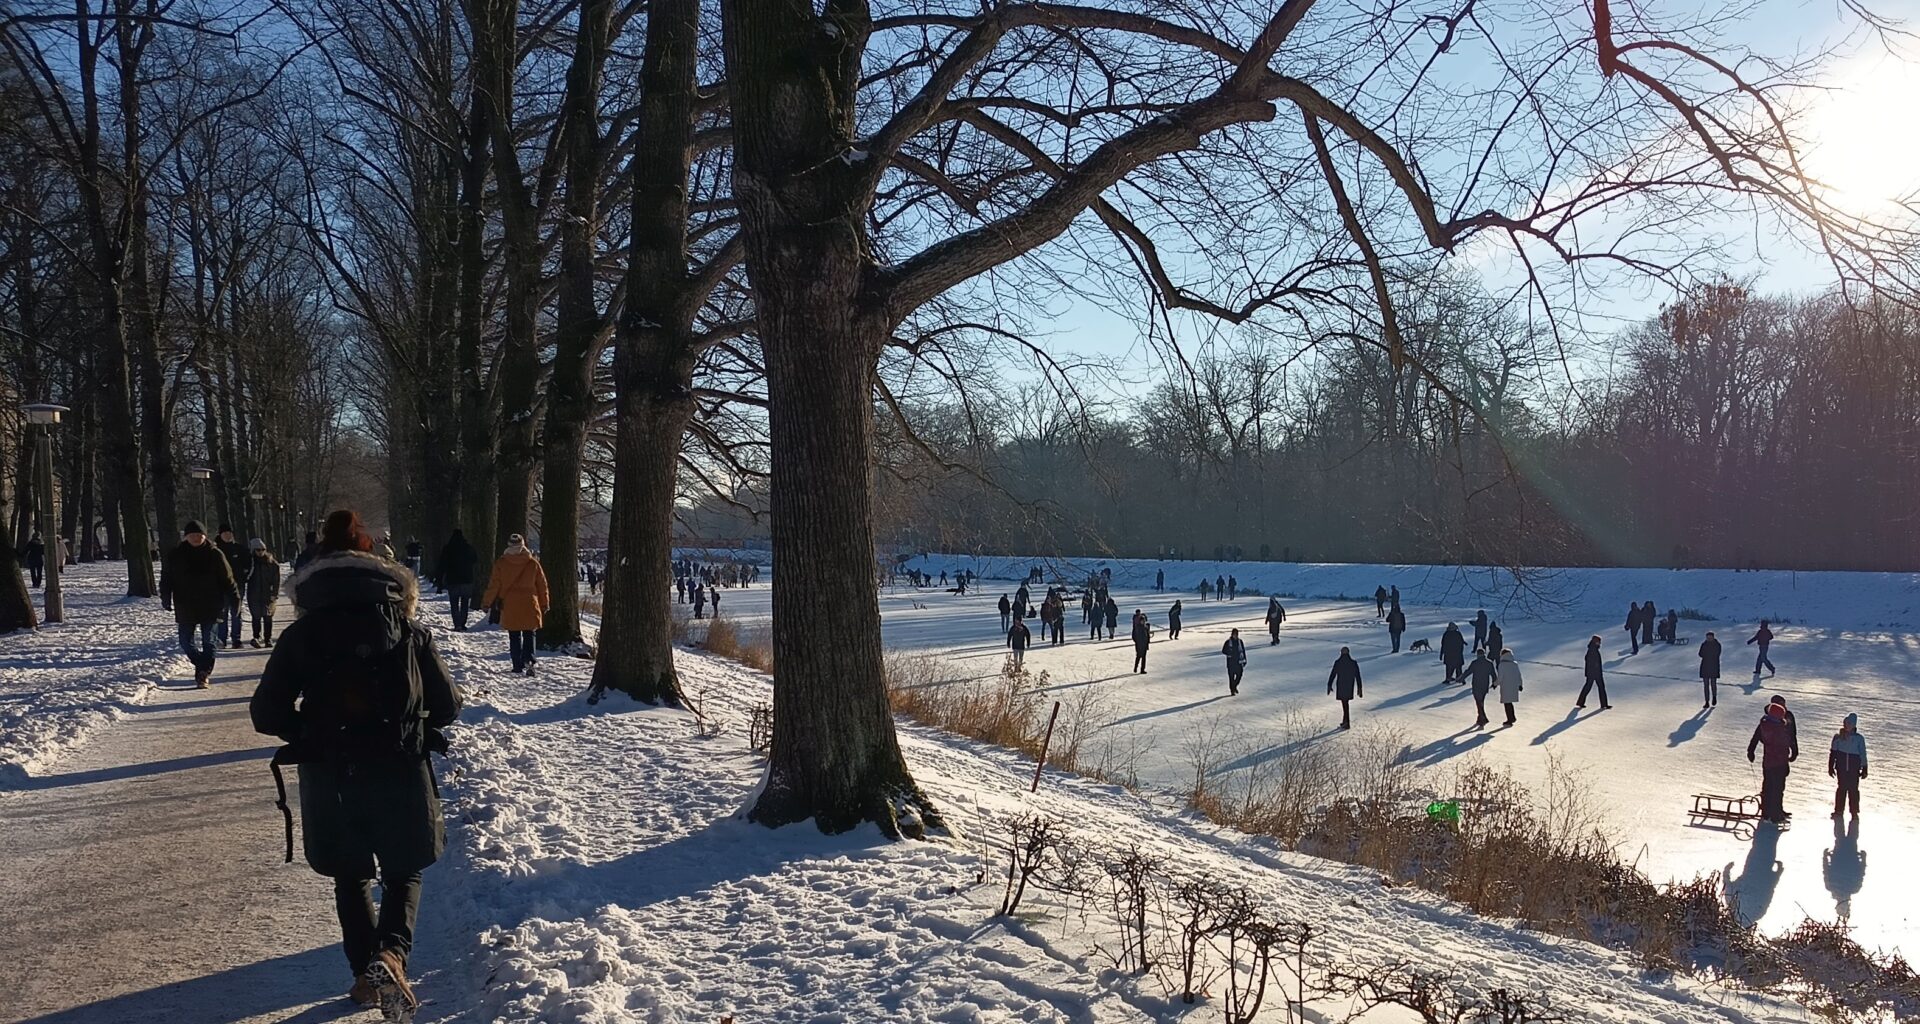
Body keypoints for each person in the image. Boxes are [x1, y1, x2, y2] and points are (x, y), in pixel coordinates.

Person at [253, 509, 463, 1016]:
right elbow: (449, 704)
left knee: (350, 875)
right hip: (400, 763)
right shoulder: (410, 632)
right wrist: (417, 724)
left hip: (332, 771)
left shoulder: (303, 635)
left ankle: (365, 972)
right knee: (404, 868)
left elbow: (266, 712)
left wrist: (305, 732)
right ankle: (392, 953)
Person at [160, 521, 238, 689]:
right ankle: (201, 664)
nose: (196, 538)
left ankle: (203, 674)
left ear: (205, 536)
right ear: (186, 536)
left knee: (209, 641)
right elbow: (166, 577)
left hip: (212, 604)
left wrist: (235, 599)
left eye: (199, 535)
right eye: (192, 535)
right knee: (185, 641)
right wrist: (165, 596)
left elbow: (228, 580)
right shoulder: (176, 555)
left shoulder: (215, 554)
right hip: (185, 604)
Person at [481, 533, 551, 675]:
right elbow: (542, 585)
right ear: (523, 545)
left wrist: (486, 602)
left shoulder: (501, 563)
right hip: (530, 602)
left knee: (514, 634)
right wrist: (544, 603)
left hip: (511, 603)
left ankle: (517, 664)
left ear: (509, 545)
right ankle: (530, 661)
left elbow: (494, 585)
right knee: (529, 633)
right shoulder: (532, 563)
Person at [1747, 700, 1798, 825]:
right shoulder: (1779, 729)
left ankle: (1767, 813)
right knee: (1777, 789)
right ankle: (1776, 815)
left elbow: (1756, 737)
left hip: (1768, 762)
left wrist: (1751, 750)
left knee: (1768, 787)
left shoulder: (1765, 725)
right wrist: (1790, 756)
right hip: (1779, 763)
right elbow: (1786, 743)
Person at [436, 530, 481, 631]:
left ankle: (457, 624)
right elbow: (475, 560)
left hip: (453, 580)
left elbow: (442, 564)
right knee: (465, 603)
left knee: (454, 603)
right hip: (467, 579)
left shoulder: (448, 549)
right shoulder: (468, 548)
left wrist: (439, 579)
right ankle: (463, 622)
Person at [217, 525, 252, 649]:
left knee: (236, 613)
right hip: (220, 587)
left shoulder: (240, 549)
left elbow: (248, 563)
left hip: (237, 586)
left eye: (229, 533)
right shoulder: (216, 550)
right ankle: (221, 639)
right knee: (222, 613)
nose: (227, 535)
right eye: (224, 533)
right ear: (220, 535)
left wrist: (244, 575)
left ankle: (236, 639)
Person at [1828, 713, 1868, 820]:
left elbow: (1863, 753)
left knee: (1853, 790)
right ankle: (1838, 810)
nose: (1846, 725)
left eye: (1849, 723)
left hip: (1853, 770)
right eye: (1845, 723)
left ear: (1854, 725)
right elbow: (1833, 753)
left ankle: (1854, 812)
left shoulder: (1859, 739)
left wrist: (1864, 767)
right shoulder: (1838, 738)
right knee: (1841, 789)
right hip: (1841, 769)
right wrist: (1830, 766)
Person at [246, 539, 282, 648]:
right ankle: (256, 637)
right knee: (256, 617)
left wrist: (274, 593)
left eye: (263, 549)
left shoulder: (271, 563)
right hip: (254, 593)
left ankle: (268, 639)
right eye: (258, 550)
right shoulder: (250, 563)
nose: (261, 552)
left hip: (268, 594)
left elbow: (276, 580)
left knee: (268, 617)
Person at [1327, 646, 1362, 728]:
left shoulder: (1338, 662)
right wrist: (1359, 688)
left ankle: (1347, 722)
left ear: (1341, 653)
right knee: (1345, 703)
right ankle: (1345, 721)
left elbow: (1333, 674)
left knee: (1345, 703)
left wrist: (1329, 684)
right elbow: (1358, 676)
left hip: (1341, 685)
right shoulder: (1353, 663)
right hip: (1349, 685)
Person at [1577, 635, 1611, 709]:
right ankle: (1604, 704)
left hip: (1593, 673)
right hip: (1594, 673)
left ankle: (1581, 702)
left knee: (1590, 687)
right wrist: (1595, 668)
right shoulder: (1592, 650)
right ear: (1595, 642)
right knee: (1598, 687)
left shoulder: (1592, 649)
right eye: (1599, 642)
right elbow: (1589, 660)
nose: (1600, 644)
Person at [1466, 648, 1496, 728]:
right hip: (1484, 685)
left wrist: (1461, 678)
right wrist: (1494, 683)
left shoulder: (1475, 663)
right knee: (1480, 701)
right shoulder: (1489, 663)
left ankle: (1483, 719)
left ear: (1477, 655)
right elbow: (1493, 674)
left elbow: (1468, 671)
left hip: (1476, 685)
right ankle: (1480, 719)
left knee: (1479, 702)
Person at [1495, 648, 1523, 725]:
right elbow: (1519, 675)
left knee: (1507, 703)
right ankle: (1512, 718)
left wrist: (1495, 684)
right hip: (1513, 686)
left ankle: (1510, 719)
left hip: (1506, 686)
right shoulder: (1514, 664)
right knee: (1509, 703)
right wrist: (1520, 684)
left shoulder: (1502, 665)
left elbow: (1500, 677)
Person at [1698, 631, 1722, 708]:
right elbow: (1700, 654)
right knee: (1706, 685)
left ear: (1713, 637)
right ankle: (1707, 701)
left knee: (1713, 683)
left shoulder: (1717, 645)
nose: (1708, 639)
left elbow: (1717, 654)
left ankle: (1714, 697)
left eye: (1710, 637)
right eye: (1707, 637)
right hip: (1705, 666)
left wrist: (1708, 654)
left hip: (1714, 666)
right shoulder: (1704, 644)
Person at [1221, 628, 1248, 695]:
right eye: (1234, 634)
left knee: (1239, 675)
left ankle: (1234, 686)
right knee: (1231, 677)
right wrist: (1229, 653)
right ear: (1232, 634)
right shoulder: (1228, 642)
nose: (1235, 636)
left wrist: (1245, 660)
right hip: (1231, 663)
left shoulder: (1240, 641)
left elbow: (1243, 651)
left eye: (1236, 634)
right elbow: (1223, 651)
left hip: (1239, 662)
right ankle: (1232, 690)